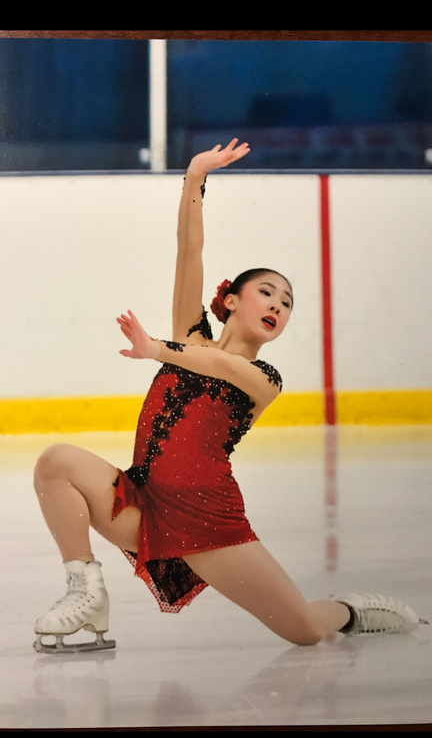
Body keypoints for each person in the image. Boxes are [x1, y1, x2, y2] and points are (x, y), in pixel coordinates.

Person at [33, 139, 425, 653]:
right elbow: (188, 251)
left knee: (305, 629)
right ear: (233, 301)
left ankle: (354, 611)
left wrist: (157, 349)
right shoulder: (190, 337)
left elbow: (220, 365)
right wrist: (195, 177)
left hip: (208, 521)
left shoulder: (264, 379)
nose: (278, 306)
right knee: (54, 463)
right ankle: (86, 591)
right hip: (143, 504)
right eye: (267, 292)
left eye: (287, 303)